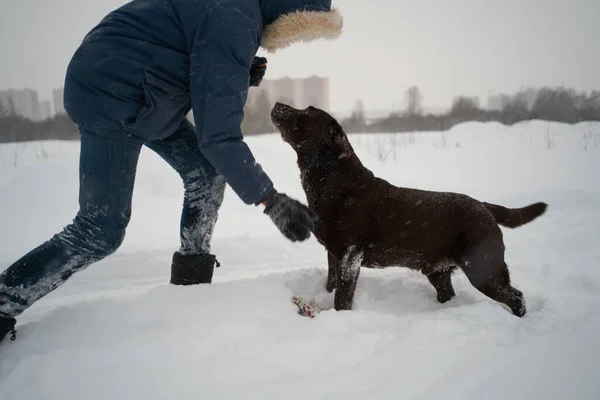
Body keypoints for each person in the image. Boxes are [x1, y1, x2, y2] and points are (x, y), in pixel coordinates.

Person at [0, 0, 343, 343]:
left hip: (141, 86)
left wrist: (236, 67)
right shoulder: (235, 17)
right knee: (99, 228)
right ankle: (4, 300)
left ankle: (189, 287)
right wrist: (271, 200)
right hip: (112, 90)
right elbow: (219, 137)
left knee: (206, 172)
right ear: (290, 14)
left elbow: (176, 38)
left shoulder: (235, 11)